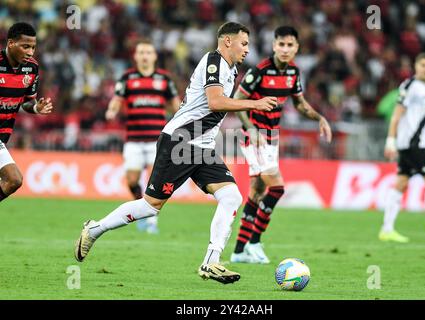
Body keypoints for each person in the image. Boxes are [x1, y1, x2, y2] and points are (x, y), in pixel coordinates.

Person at [74, 22, 278, 284]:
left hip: (202, 146)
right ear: (227, 41)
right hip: (180, 140)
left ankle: (211, 262)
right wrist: (255, 104)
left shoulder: (232, 68)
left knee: (231, 196)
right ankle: (94, 229)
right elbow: (215, 102)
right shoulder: (213, 62)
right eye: (244, 43)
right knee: (151, 206)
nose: (247, 49)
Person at [230, 26, 332, 264]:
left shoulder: (294, 73)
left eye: (290, 45)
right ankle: (255, 242)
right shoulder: (260, 71)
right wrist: (252, 129)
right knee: (277, 188)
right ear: (274, 45)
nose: (285, 49)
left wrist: (320, 118)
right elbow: (238, 101)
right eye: (281, 44)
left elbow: (300, 104)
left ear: (296, 48)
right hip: (254, 136)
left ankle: (239, 252)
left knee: (257, 192)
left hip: (271, 137)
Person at [105, 40, 180, 234]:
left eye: (148, 52)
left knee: (155, 182)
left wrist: (182, 119)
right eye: (141, 52)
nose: (145, 56)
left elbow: (175, 103)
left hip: (158, 139)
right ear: (136, 56)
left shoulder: (164, 78)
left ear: (154, 56)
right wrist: (111, 110)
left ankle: (152, 220)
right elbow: (117, 99)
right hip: (134, 139)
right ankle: (141, 210)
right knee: (132, 180)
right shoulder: (127, 77)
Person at [380, 52, 425, 243]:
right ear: (416, 66)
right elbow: (396, 115)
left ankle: (386, 230)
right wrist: (390, 141)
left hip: (412, 144)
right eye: (423, 65)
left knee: (401, 183)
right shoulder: (410, 86)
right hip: (413, 144)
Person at [0, 22, 53, 203]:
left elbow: (27, 102)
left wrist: (36, 108)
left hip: (2, 136)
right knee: (13, 178)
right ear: (11, 43)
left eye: (33, 47)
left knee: (13, 181)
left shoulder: (32, 68)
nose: (30, 52)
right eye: (25, 46)